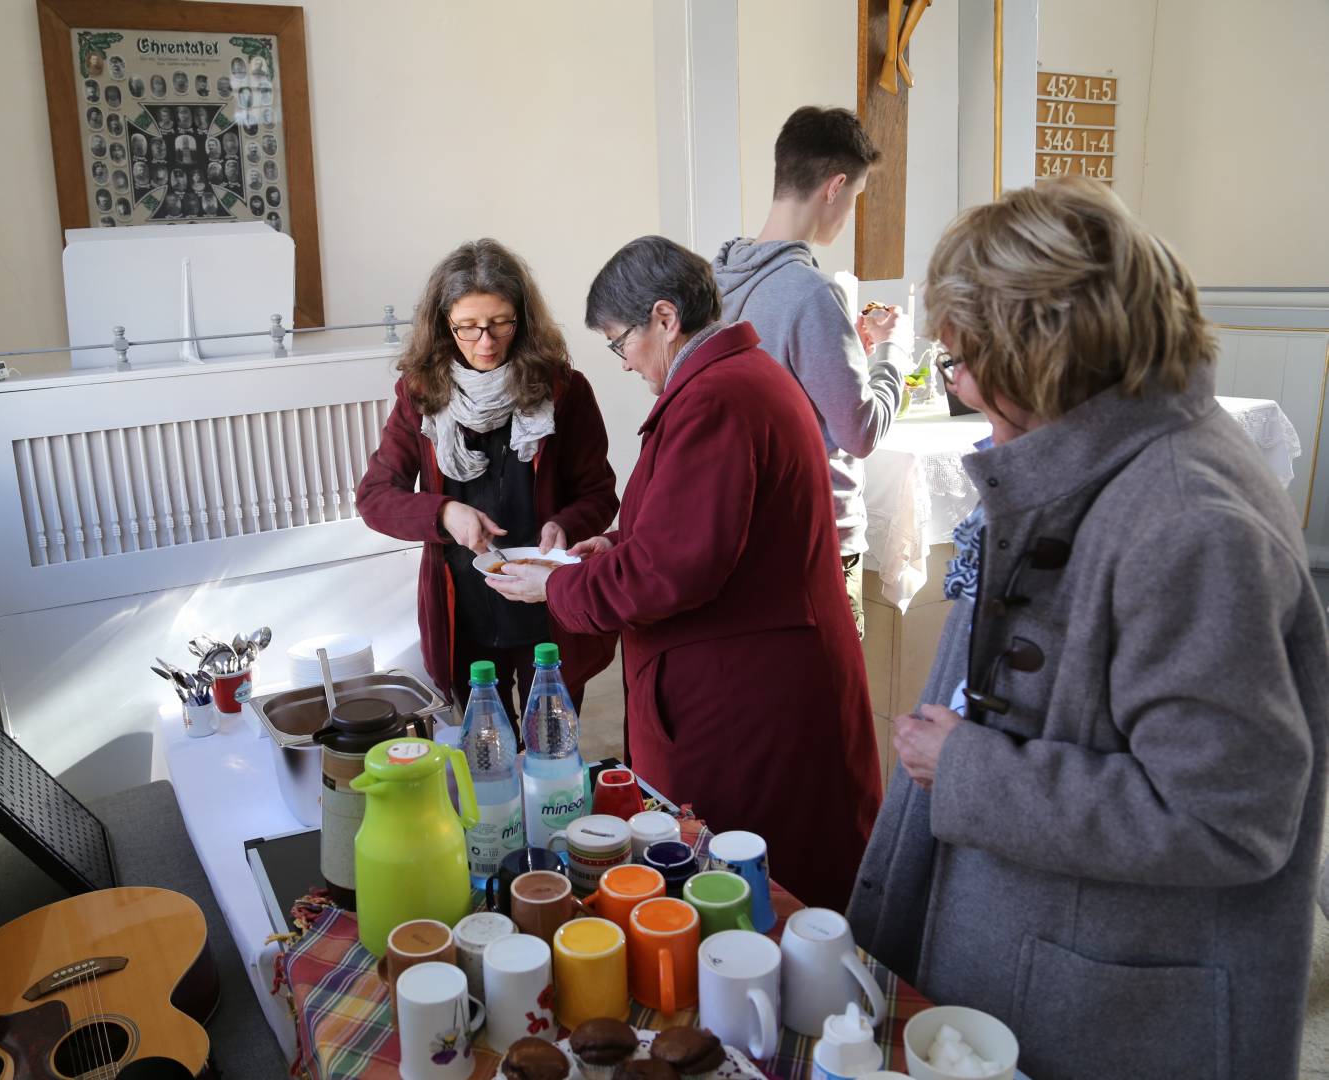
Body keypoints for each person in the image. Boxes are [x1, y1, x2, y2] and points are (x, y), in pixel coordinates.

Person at [845, 178, 1328, 1079]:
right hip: (1049, 950)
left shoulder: (1189, 519)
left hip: (1116, 1004)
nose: (960, 384)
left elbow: (1227, 818)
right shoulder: (1097, 456)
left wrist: (970, 769)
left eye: (964, 359)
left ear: (1041, 354)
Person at [490, 236, 879, 909]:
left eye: (620, 342)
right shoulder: (733, 379)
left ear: (665, 318)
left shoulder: (717, 398)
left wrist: (555, 585)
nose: (623, 362)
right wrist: (613, 543)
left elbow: (673, 570)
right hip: (750, 675)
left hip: (747, 700)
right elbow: (699, 526)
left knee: (750, 891)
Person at [358, 239, 618, 726]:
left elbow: (599, 493)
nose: (486, 342)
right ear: (444, 324)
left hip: (548, 606)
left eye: (501, 323)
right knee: (484, 750)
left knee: (551, 745)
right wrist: (442, 512)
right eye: (468, 327)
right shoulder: (420, 394)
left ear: (522, 318)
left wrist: (566, 524)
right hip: (464, 613)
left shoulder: (564, 391)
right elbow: (374, 497)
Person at [713, 106, 908, 640]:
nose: (849, 212)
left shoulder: (715, 279)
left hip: (743, 528)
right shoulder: (810, 292)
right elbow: (859, 432)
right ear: (835, 186)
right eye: (856, 197)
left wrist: (849, 354)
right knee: (830, 685)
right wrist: (892, 353)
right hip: (815, 538)